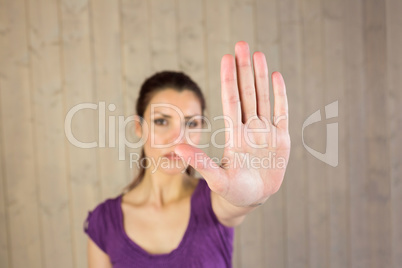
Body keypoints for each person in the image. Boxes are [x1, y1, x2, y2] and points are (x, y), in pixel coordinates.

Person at [83, 41, 291, 267]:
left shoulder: (216, 200)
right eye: (162, 121)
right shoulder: (103, 222)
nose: (177, 137)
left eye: (191, 124)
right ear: (139, 127)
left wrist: (252, 198)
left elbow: (234, 205)